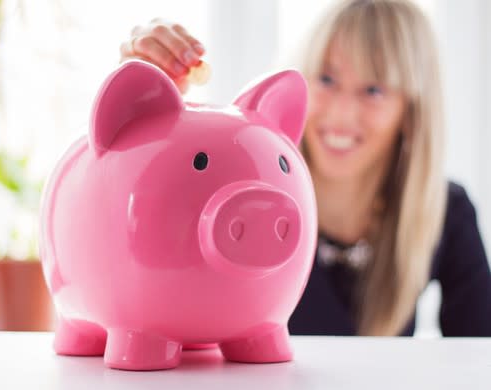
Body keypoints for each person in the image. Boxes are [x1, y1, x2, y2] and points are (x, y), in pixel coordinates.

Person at [119, 0, 491, 336]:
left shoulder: (447, 213)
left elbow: (479, 353)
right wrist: (145, 115)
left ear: (411, 111)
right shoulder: (238, 189)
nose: (341, 115)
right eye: (326, 79)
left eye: (373, 90)